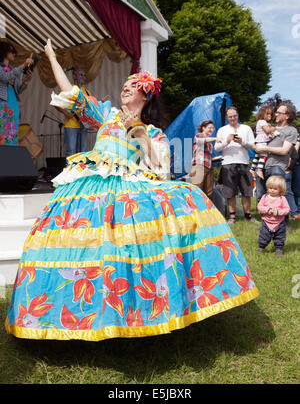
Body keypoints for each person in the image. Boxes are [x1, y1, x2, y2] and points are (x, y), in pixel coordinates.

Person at [5, 39, 259, 342]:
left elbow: (159, 167)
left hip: (131, 184)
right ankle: (65, 314)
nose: (124, 88)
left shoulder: (153, 132)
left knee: (182, 204)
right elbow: (69, 93)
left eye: (131, 85)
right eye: (124, 85)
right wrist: (50, 56)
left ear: (144, 93)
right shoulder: (105, 115)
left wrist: (138, 132)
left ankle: (141, 305)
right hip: (90, 185)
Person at [255, 101, 299, 220]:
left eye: (279, 112)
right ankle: (268, 223)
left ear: (287, 116)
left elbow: (284, 150)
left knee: (280, 196)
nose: (276, 115)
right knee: (261, 196)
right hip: (262, 166)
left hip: (277, 167)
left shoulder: (291, 131)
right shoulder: (268, 127)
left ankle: (284, 224)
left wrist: (265, 148)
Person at [214, 106, 259, 224]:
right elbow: (217, 148)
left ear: (238, 115)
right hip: (228, 163)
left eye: (234, 116)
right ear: (226, 117)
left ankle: (248, 216)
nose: (232, 118)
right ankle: (232, 217)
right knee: (230, 192)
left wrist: (242, 142)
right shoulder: (222, 130)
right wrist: (227, 141)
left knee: (246, 191)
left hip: (243, 162)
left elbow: (253, 145)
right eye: (230, 116)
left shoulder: (246, 128)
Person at [0, 41, 33, 146]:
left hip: (13, 101)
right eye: (12, 51)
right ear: (4, 52)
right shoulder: (2, 68)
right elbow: (5, 77)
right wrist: (23, 65)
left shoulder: (12, 70)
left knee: (13, 128)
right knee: (3, 127)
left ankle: (11, 149)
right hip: (2, 102)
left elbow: (19, 90)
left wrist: (27, 80)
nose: (14, 54)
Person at [55, 67, 90, 157]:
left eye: (84, 75)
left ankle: (79, 170)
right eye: (81, 75)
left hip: (83, 125)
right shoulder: (69, 89)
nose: (83, 77)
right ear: (74, 76)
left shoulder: (87, 92)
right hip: (71, 125)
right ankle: (70, 170)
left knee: (82, 152)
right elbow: (56, 103)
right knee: (71, 152)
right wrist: (66, 113)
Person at [257, 176, 290, 257]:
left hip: (279, 223)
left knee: (280, 237)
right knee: (264, 235)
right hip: (266, 222)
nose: (272, 190)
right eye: (270, 188)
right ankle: (261, 247)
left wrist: (278, 212)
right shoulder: (265, 197)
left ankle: (278, 249)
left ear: (281, 189)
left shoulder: (282, 199)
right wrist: (268, 210)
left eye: (275, 189)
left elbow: (287, 209)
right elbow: (260, 207)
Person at [190, 120, 222, 198]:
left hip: (209, 167)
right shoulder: (199, 135)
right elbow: (203, 140)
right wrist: (215, 138)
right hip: (199, 166)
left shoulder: (210, 143)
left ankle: (206, 209)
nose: (211, 130)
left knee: (208, 192)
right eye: (209, 128)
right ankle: (196, 209)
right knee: (197, 190)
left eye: (213, 128)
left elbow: (207, 155)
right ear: (203, 128)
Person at [250, 106, 279, 180]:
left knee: (257, 156)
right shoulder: (262, 121)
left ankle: (252, 169)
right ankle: (259, 170)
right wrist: (275, 128)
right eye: (267, 114)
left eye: (271, 114)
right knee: (263, 156)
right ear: (262, 114)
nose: (269, 115)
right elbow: (267, 131)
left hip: (259, 141)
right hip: (262, 141)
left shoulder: (264, 122)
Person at [291, 132, 300, 218]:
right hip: (286, 164)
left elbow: (296, 149)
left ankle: (297, 211)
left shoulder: (297, 134)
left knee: (297, 189)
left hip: (296, 164)